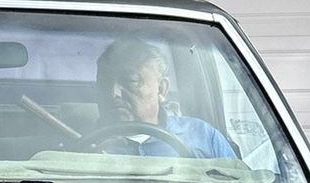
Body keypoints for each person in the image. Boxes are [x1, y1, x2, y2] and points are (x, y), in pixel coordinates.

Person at [94, 38, 236, 159]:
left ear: (161, 89)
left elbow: (239, 180)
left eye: (131, 81)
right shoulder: (87, 145)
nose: (113, 93)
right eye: (104, 83)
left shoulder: (202, 136)